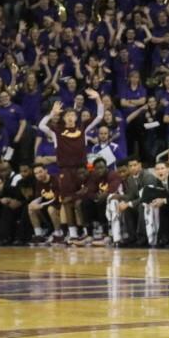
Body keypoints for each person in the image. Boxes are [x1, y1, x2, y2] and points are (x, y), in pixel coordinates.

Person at [37, 89, 103, 244]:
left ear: (76, 117)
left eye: (73, 115)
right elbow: (41, 126)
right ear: (64, 118)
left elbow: (99, 116)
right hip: (65, 170)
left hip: (82, 170)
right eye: (67, 115)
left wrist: (98, 99)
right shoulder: (57, 131)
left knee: (83, 200)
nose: (71, 118)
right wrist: (51, 114)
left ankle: (86, 231)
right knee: (67, 201)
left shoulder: (82, 128)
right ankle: (72, 233)